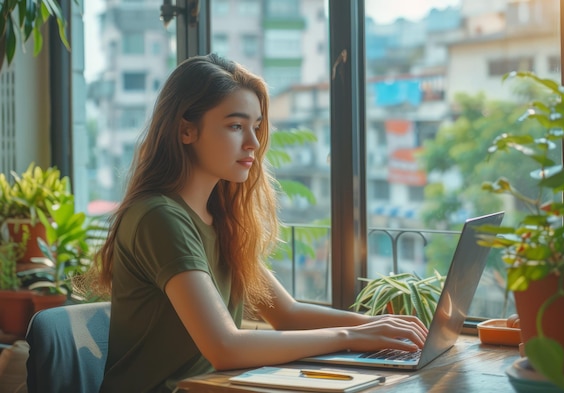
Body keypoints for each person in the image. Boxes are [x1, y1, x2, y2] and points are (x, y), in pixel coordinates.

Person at [94, 53, 428, 393]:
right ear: (186, 130)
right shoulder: (159, 217)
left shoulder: (218, 218)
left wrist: (377, 326)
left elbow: (287, 314)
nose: (253, 143)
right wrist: (351, 336)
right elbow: (225, 347)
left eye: (255, 126)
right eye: (236, 126)